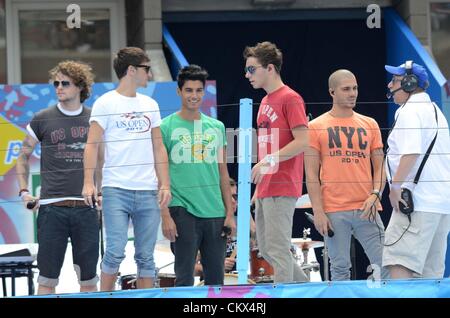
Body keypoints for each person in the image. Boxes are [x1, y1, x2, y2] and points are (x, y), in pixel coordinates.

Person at [82, 47, 171, 291]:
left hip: (147, 190)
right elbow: (91, 145)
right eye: (146, 69)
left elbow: (158, 147)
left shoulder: (150, 104)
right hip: (115, 189)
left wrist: (165, 184)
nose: (149, 74)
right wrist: (88, 183)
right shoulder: (105, 102)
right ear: (132, 70)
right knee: (114, 252)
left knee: (146, 256)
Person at [15, 60, 99, 294]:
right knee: (47, 279)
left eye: (65, 83)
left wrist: (101, 191)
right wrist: (23, 192)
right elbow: (22, 156)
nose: (59, 87)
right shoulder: (42, 117)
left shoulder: (95, 119)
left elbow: (102, 160)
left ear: (80, 87)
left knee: (89, 280)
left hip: (87, 208)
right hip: (52, 208)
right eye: (56, 83)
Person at [304, 69, 388, 281]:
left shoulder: (370, 124)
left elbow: (380, 167)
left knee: (384, 265)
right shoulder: (315, 127)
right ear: (332, 92)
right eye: (346, 89)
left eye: (355, 88)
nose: (353, 93)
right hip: (333, 208)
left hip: (366, 207)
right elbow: (311, 174)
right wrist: (319, 211)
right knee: (340, 268)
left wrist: (376, 194)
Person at [160, 64, 236, 286]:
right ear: (179, 92)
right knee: (183, 278)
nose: (194, 96)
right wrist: (165, 215)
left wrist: (229, 214)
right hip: (182, 209)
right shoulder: (165, 127)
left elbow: (223, 173)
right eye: (189, 90)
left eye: (198, 90)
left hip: (215, 211)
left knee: (216, 280)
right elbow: (159, 175)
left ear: (204, 91)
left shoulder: (217, 127)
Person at [243, 41, 308, 283]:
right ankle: (309, 291)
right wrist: (259, 187)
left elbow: (303, 141)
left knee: (279, 251)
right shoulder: (264, 102)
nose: (247, 74)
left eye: (251, 69)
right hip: (266, 187)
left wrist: (268, 161)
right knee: (268, 250)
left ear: (269, 68)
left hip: (283, 184)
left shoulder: (290, 98)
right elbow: (266, 150)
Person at [383, 61, 450, 279]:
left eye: (395, 80)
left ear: (410, 83)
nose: (390, 85)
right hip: (440, 207)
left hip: (416, 204)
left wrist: (395, 187)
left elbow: (411, 152)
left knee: (399, 263)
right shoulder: (436, 111)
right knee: (431, 277)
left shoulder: (409, 111)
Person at [194, 178, 256, 277]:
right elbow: (191, 269)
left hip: (243, 285)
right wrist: (217, 266)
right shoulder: (205, 224)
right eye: (227, 197)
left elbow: (260, 247)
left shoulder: (244, 221)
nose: (232, 201)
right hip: (213, 287)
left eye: (235, 197)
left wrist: (246, 212)